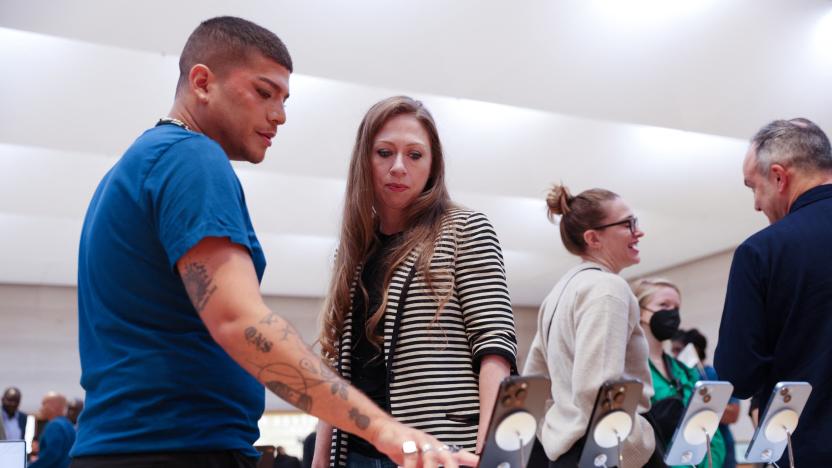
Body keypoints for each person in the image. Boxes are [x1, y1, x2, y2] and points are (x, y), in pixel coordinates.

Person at [70, 17, 475, 468]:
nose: (279, 114)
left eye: (284, 99)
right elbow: (241, 321)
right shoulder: (191, 158)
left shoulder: (136, 166)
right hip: (173, 449)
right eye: (264, 93)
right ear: (202, 83)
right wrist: (385, 430)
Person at [313, 96, 518, 468]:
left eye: (415, 155)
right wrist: (320, 459)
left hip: (440, 448)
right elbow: (337, 367)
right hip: (357, 452)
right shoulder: (353, 252)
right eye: (384, 152)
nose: (398, 167)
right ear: (365, 160)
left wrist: (488, 452)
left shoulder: (465, 229)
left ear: (432, 164)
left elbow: (494, 348)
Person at [715, 117, 832, 466]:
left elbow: (737, 375)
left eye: (753, 187)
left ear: (779, 177)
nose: (756, 204)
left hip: (806, 450)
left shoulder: (762, 252)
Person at [523, 184, 655, 467]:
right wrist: (635, 450)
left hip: (569, 451)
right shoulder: (608, 287)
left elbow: (535, 381)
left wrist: (554, 431)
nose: (638, 231)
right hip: (603, 449)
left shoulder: (558, 293)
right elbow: (598, 388)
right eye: (628, 224)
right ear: (593, 238)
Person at [631, 279, 726, 468]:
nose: (672, 313)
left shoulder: (686, 371)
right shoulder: (631, 371)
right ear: (640, 311)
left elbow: (711, 433)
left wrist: (710, 464)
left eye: (676, 307)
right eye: (664, 305)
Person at [672, 329, 739, 468]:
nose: (674, 356)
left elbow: (733, 414)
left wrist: (701, 403)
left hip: (718, 450)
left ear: (694, 350)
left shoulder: (713, 375)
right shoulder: (675, 378)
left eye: (678, 350)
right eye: (673, 351)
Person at [30, 392, 75, 468]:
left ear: (53, 406)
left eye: (44, 404)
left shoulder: (54, 425)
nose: (41, 408)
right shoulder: (69, 425)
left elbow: (51, 454)